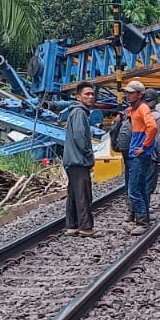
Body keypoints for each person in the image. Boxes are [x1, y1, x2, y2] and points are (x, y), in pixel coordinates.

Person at [123, 80, 158, 230]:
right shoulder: (134, 109)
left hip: (138, 155)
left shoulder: (143, 108)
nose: (127, 95)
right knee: (142, 188)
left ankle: (141, 222)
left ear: (140, 94)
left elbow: (153, 127)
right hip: (136, 154)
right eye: (127, 92)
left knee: (133, 190)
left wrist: (144, 147)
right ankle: (144, 218)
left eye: (131, 93)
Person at [63, 81, 96, 238]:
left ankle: (72, 226)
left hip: (72, 160)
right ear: (78, 97)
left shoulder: (75, 112)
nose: (90, 97)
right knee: (83, 194)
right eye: (87, 94)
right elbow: (80, 137)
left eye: (92, 94)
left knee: (74, 194)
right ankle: (85, 227)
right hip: (78, 160)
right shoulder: (79, 112)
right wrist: (89, 154)